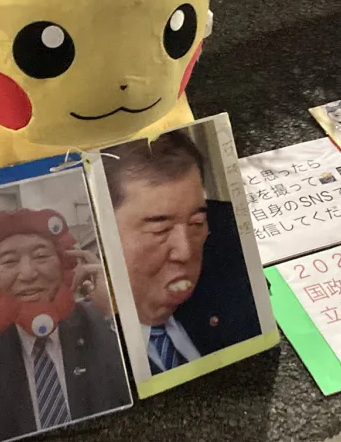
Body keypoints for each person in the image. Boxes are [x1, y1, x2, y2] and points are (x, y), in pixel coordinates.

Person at [0, 208, 130, 442]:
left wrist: (115, 310)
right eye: (10, 261)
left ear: (66, 263)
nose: (28, 274)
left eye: (41, 256)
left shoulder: (101, 325)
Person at [103, 130, 262, 375]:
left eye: (197, 223)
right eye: (160, 229)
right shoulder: (87, 348)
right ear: (102, 233)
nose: (185, 251)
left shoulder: (230, 261)